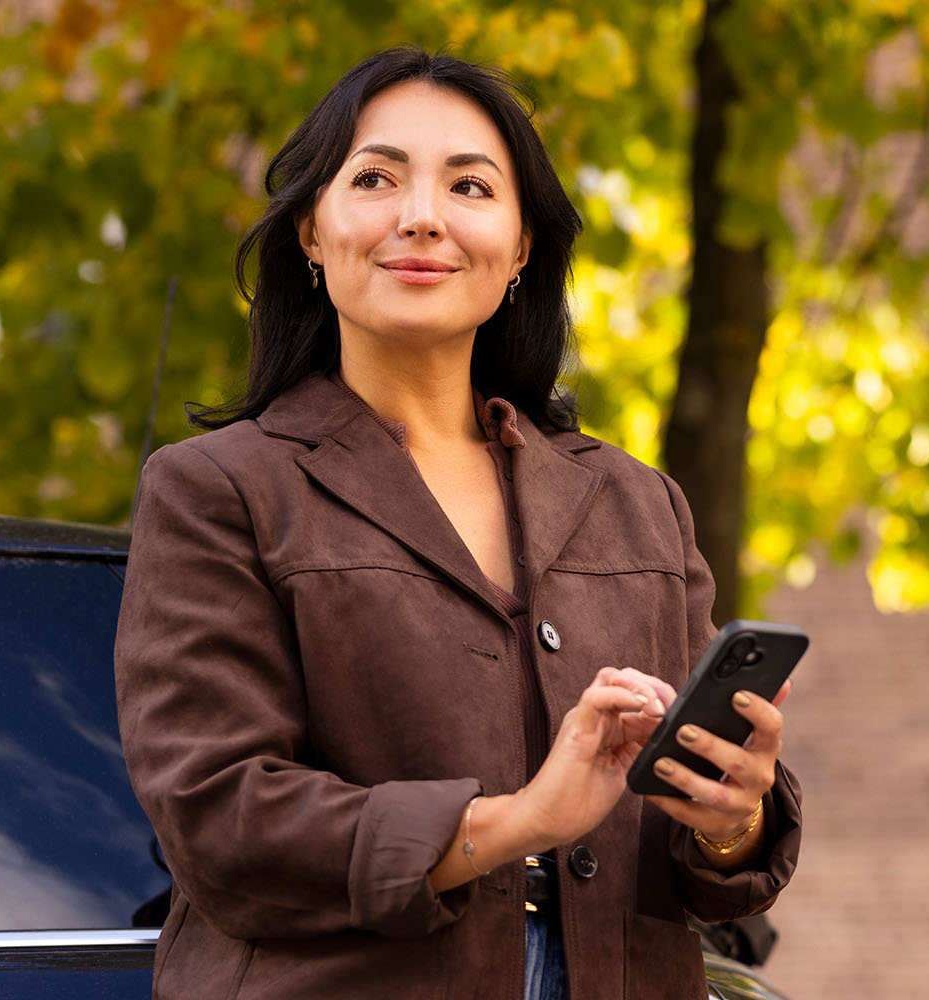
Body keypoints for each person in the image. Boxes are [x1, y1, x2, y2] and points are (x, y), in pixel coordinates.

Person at [113, 46, 800, 1000]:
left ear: (520, 248)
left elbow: (701, 868)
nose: (422, 216)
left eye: (470, 186)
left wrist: (733, 817)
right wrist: (515, 823)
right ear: (313, 230)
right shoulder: (219, 491)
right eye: (375, 178)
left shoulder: (640, 505)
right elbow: (222, 818)